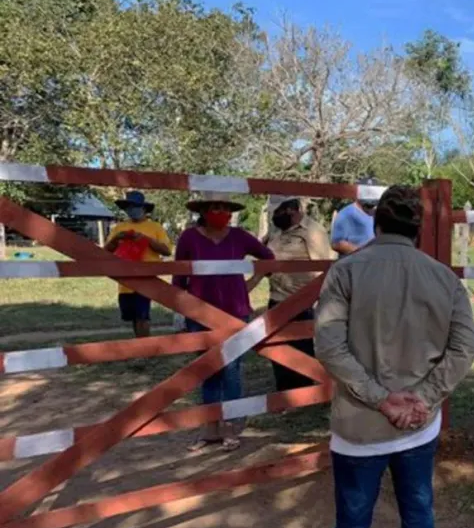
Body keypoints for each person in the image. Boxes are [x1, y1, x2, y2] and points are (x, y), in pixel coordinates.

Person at [315, 185, 474, 528]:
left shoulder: (346, 272)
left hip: (359, 428)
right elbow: (465, 347)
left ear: (377, 224)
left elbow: (330, 347)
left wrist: (381, 399)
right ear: (417, 230)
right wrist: (424, 398)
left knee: (353, 526)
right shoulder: (445, 278)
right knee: (418, 514)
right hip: (419, 424)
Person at [173, 191, 275, 452]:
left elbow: (268, 258)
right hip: (199, 314)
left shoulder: (239, 236)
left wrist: (248, 285)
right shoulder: (189, 237)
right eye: (215, 207)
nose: (221, 212)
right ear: (204, 211)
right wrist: (179, 310)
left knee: (231, 371)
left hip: (235, 313)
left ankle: (230, 426)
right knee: (208, 371)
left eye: (225, 208)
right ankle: (209, 427)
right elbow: (178, 277)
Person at [258, 195, 333, 391]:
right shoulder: (276, 231)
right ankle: (284, 392)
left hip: (301, 302)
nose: (273, 216)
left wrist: (317, 300)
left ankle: (303, 393)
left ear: (291, 209)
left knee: (301, 348)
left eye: (277, 211)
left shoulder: (313, 231)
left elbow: (321, 269)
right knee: (276, 346)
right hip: (276, 299)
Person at [105, 191, 172, 338]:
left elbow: (167, 251)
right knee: (133, 316)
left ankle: (145, 346)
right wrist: (116, 239)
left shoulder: (155, 227)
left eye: (135, 206)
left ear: (143, 208)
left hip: (146, 277)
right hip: (125, 280)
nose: (132, 209)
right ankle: (140, 344)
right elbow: (106, 251)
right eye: (129, 206)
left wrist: (146, 239)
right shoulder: (119, 228)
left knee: (142, 315)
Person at [330, 177, 380, 256]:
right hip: (354, 263)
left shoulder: (381, 214)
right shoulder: (345, 214)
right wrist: (363, 253)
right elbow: (336, 244)